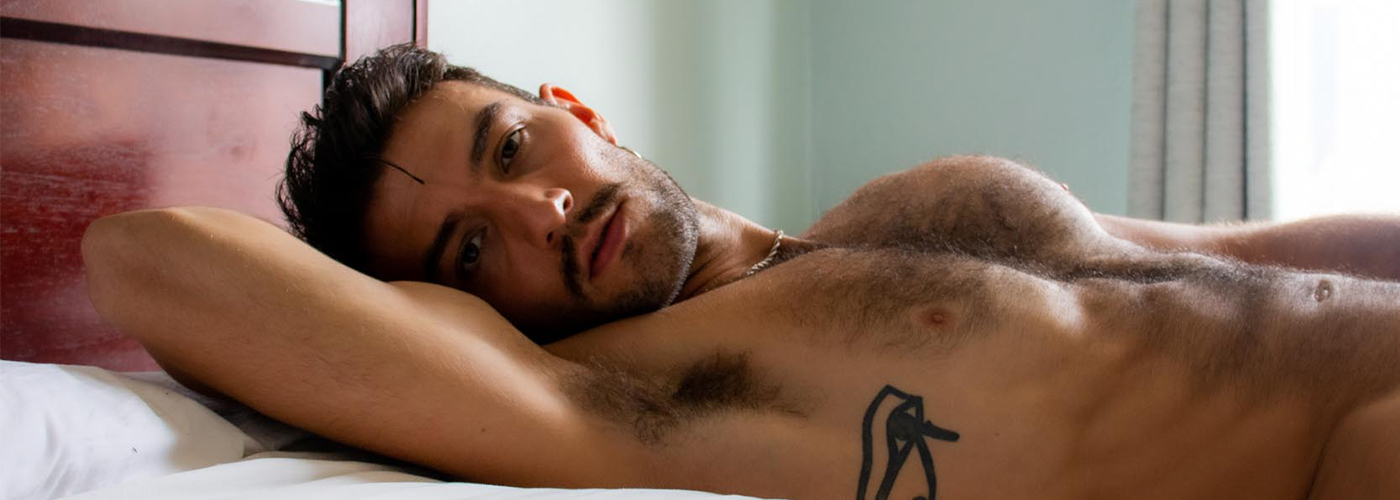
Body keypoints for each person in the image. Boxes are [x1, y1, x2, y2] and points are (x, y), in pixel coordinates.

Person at [82, 45, 1399, 499]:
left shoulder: (914, 202)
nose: (540, 211)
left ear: (573, 108)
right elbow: (143, 260)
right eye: (470, 249)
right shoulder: (642, 392)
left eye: (514, 147)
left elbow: (1240, 259)